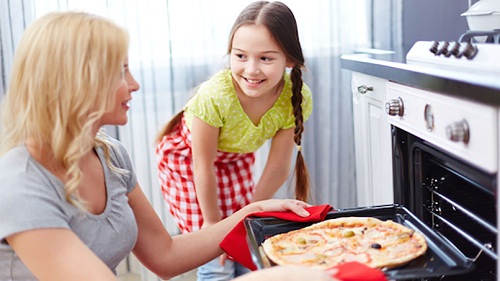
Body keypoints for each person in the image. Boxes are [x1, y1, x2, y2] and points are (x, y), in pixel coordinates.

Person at [0, 11, 337, 281]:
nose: (134, 84)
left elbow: (165, 257)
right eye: (121, 71)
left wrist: (251, 212)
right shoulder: (19, 182)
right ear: (77, 82)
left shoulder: (110, 157)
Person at [156, 1, 312, 280]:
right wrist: (213, 224)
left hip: (235, 158)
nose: (251, 70)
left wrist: (250, 215)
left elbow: (277, 166)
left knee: (245, 236)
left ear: (289, 59)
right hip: (188, 162)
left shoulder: (294, 97)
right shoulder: (215, 96)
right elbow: (202, 166)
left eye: (265, 58)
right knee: (213, 248)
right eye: (240, 56)